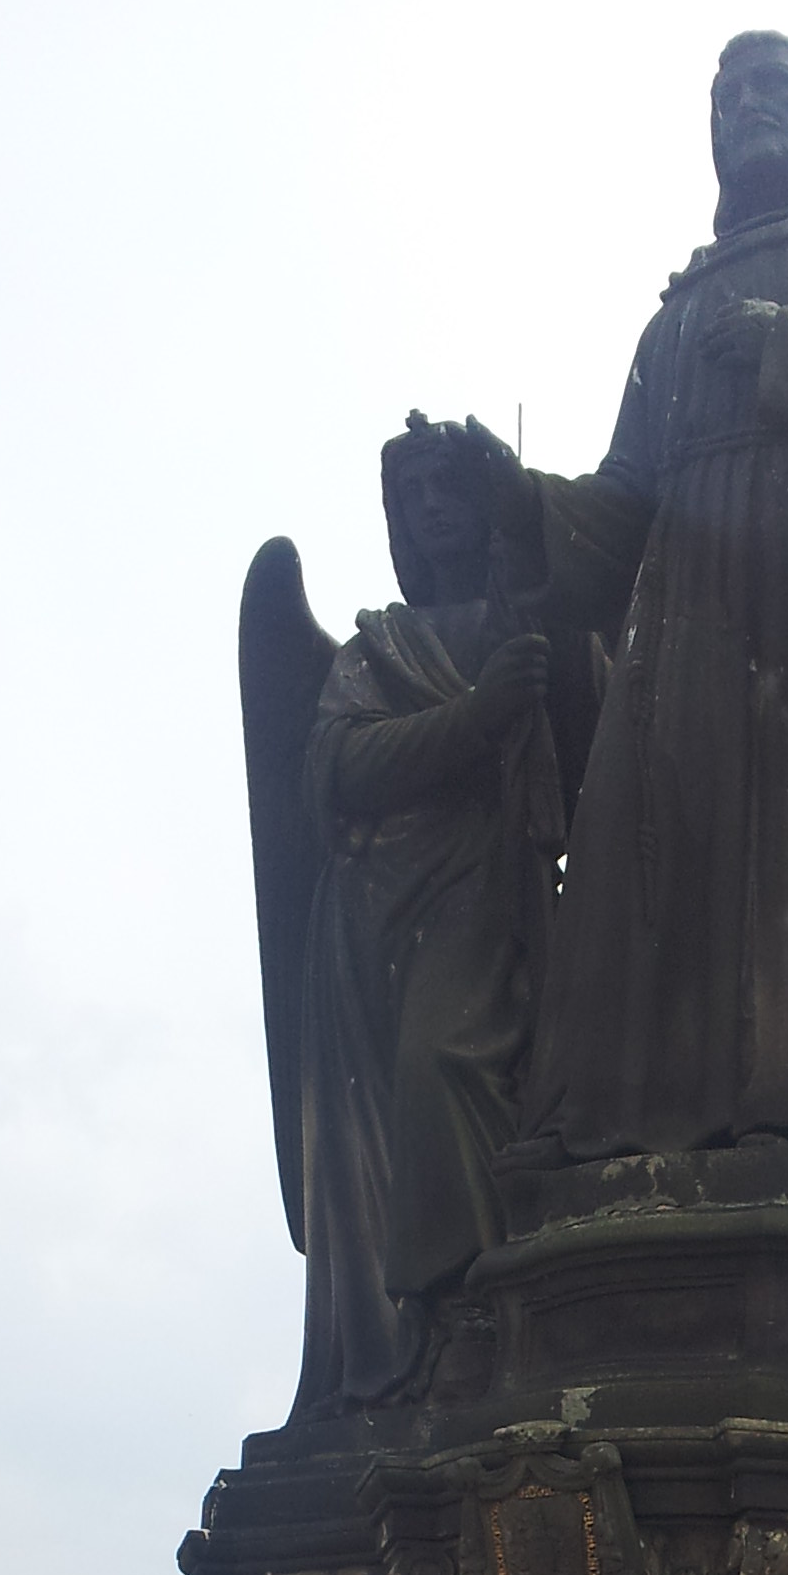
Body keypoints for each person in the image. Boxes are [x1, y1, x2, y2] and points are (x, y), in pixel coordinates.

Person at [472, 30, 788, 1194]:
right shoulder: (676, 314)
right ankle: (628, 1115)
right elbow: (620, 509)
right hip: (690, 614)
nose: (747, 104)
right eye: (727, 91)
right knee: (652, 847)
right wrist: (518, 497)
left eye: (774, 85)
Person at [291, 416, 567, 1407]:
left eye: (449, 487)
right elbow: (338, 766)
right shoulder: (380, 645)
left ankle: (486, 1317)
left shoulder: (530, 619)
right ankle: (413, 1341)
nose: (435, 508)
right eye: (415, 497)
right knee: (381, 1125)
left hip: (483, 890)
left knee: (448, 1067)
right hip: (370, 915)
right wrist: (477, 718)